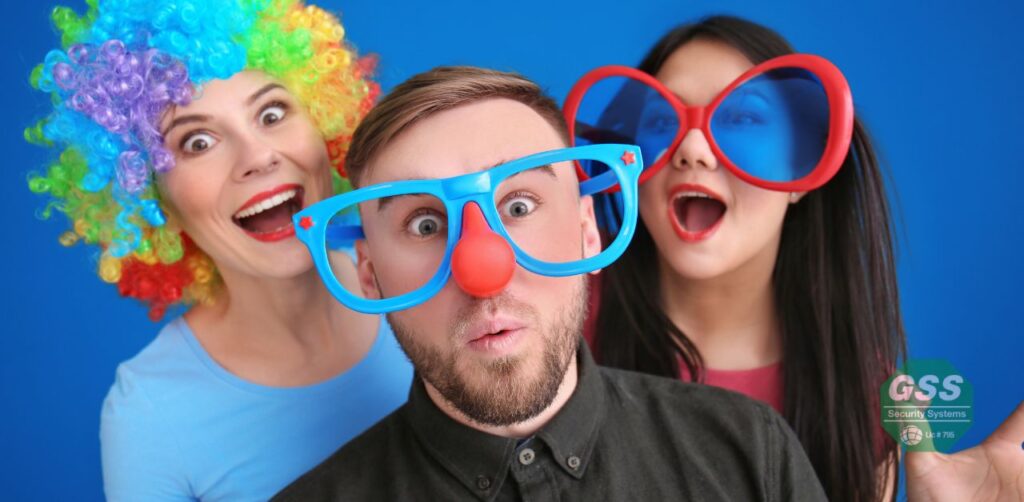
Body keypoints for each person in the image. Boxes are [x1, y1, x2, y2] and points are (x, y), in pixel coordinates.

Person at [274, 66, 828, 501]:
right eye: (425, 225)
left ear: (588, 232)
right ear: (369, 274)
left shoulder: (749, 452)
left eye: (518, 205)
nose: (482, 270)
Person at [563, 15, 1024, 502]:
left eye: (741, 117)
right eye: (660, 121)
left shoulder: (863, 394)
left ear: (805, 164)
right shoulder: (557, 316)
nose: (692, 148)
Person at [26, 0, 412, 499]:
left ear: (324, 126)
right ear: (148, 197)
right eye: (198, 142)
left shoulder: (423, 281)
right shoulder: (150, 413)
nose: (258, 156)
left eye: (272, 113)